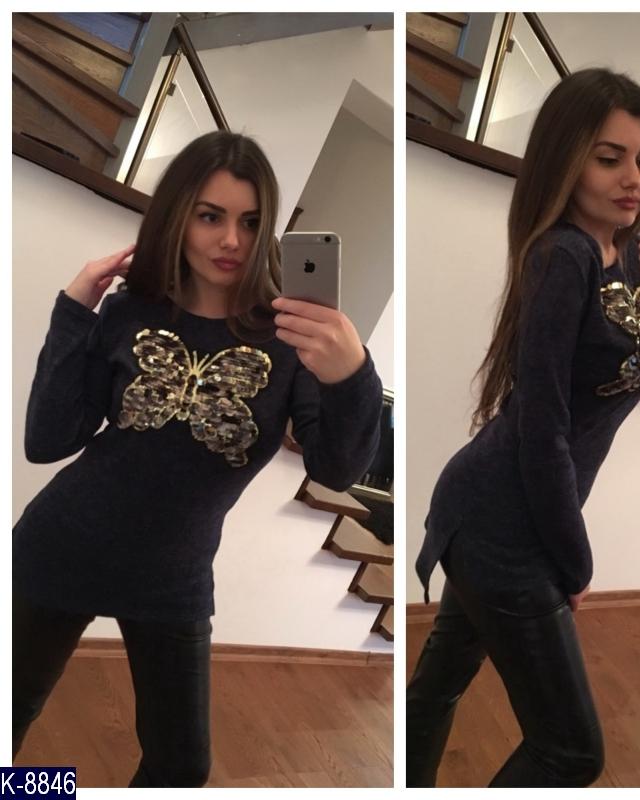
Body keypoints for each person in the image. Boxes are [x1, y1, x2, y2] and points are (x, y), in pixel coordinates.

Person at [13, 131, 383, 787]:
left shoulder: (291, 338)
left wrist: (352, 375)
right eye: (211, 216)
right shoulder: (130, 312)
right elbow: (47, 442)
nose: (231, 240)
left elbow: (335, 470)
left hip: (173, 576)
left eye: (250, 222)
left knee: (181, 766)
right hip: (61, 546)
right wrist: (74, 311)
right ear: (179, 216)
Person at [406, 68, 640, 787]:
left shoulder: (634, 257)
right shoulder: (564, 256)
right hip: (504, 520)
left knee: (438, 686)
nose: (633, 179)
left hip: (506, 509)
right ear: (567, 159)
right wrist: (573, 560)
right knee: (571, 751)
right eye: (609, 158)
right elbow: (542, 429)